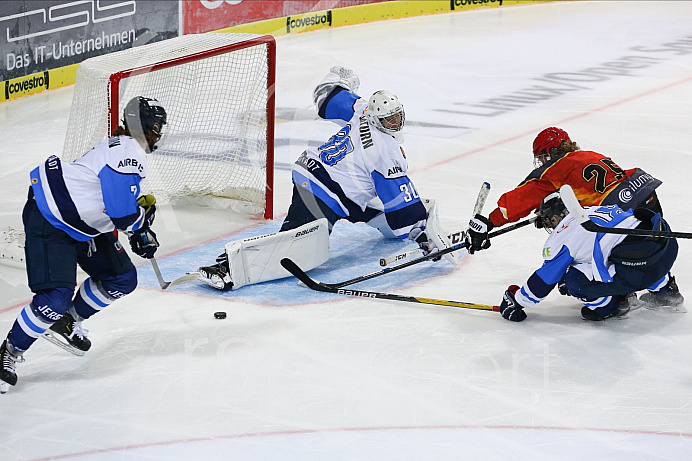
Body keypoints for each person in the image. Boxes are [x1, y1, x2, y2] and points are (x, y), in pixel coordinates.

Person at [198, 66, 455, 291]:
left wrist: (339, 80)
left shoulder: (363, 109)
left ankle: (401, 226)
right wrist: (420, 232)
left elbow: (326, 98)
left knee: (378, 211)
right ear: (377, 118)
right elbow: (398, 198)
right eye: (388, 119)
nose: (394, 123)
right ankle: (228, 266)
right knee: (298, 244)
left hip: (329, 180)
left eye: (397, 117)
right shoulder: (386, 152)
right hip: (323, 191)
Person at [0, 96, 167, 393]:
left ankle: (67, 321)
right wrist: (139, 224)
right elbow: (122, 213)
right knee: (54, 298)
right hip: (51, 218)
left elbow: (112, 202)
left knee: (122, 278)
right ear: (143, 128)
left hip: (80, 222)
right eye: (156, 127)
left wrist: (137, 224)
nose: (158, 134)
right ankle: (9, 352)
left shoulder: (119, 146)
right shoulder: (129, 150)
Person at [467, 126, 682, 306]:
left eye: (542, 157)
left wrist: (490, 222)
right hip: (645, 199)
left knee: (594, 249)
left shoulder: (555, 167)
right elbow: (589, 196)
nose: (542, 162)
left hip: (620, 216)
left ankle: (616, 296)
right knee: (648, 246)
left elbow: (522, 197)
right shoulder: (588, 156)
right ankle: (666, 290)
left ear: (549, 152)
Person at [498, 192, 679, 322]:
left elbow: (546, 278)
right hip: (665, 249)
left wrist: (518, 301)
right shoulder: (596, 210)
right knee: (628, 247)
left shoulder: (563, 235)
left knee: (574, 280)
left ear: (554, 219)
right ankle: (666, 291)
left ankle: (614, 305)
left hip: (639, 270)